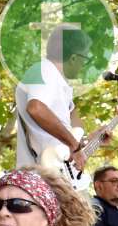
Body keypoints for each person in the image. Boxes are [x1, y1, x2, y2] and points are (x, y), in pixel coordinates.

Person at [14, 27, 93, 176]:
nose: (84, 65)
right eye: (85, 59)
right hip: (41, 176)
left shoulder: (58, 82)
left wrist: (92, 138)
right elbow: (36, 108)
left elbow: (67, 136)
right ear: (74, 58)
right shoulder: (44, 69)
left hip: (56, 173)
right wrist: (74, 146)